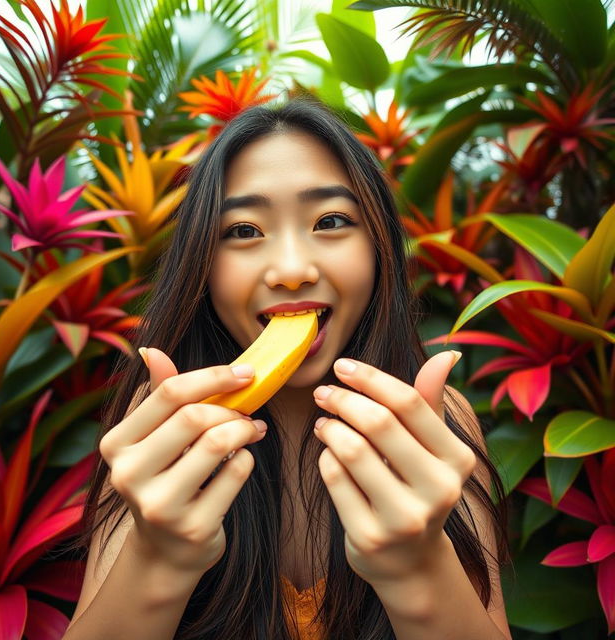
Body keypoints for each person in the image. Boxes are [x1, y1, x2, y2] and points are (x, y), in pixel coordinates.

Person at [63, 98, 512, 640]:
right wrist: (158, 560)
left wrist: (417, 570)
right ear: (201, 265)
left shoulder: (433, 423)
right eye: (244, 230)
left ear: (378, 248)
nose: (293, 271)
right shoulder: (163, 429)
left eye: (331, 221)